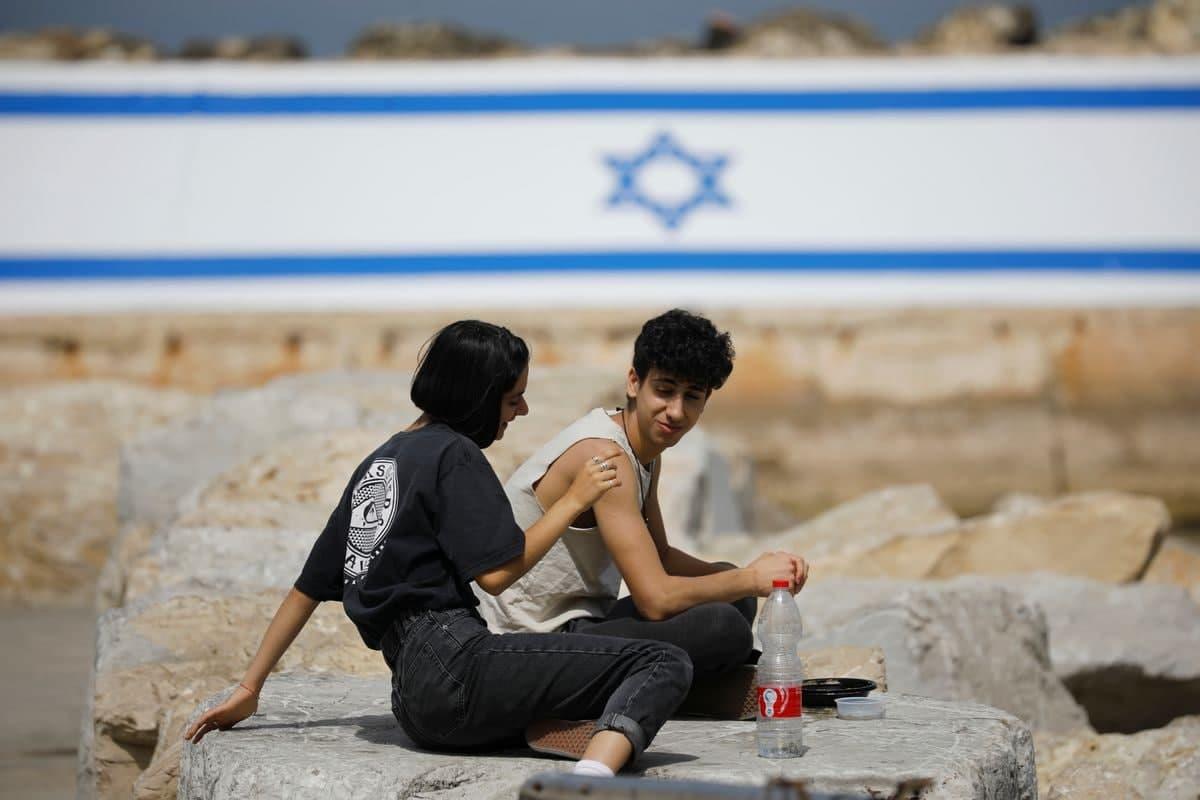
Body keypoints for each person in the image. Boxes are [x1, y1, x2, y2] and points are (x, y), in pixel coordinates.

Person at [184, 320, 694, 778]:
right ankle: (592, 780)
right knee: (662, 661)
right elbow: (497, 575)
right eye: (512, 398)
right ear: (479, 396)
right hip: (457, 665)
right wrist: (573, 500)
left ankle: (549, 729)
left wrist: (249, 690)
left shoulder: (379, 463)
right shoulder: (455, 453)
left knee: (586, 677)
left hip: (414, 706)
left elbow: (305, 591)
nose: (522, 410)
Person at [476, 310, 809, 718]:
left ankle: (672, 683)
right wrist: (752, 579)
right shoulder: (607, 456)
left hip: (583, 622)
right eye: (664, 391)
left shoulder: (645, 451)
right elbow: (655, 600)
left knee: (735, 597)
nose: (676, 411)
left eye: (692, 397)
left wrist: (749, 576)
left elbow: (661, 556)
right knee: (723, 627)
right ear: (634, 382)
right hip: (533, 639)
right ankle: (672, 691)